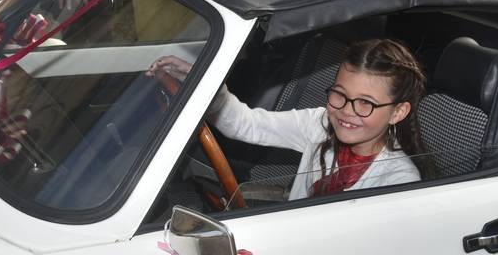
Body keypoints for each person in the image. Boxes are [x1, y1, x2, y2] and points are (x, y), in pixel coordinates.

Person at [148, 39, 433, 201]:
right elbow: (248, 125)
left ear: (398, 112)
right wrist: (206, 84)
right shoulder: (320, 123)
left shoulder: (399, 180)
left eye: (365, 104)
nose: (347, 111)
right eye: (339, 94)